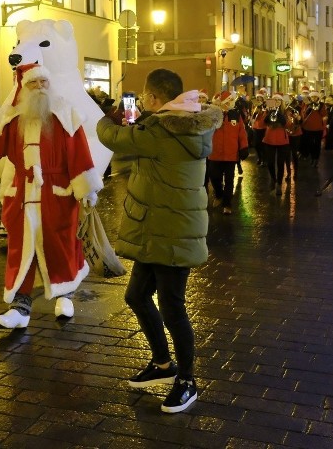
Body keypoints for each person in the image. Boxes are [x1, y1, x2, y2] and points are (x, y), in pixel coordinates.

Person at [96, 68, 222, 414]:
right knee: (136, 295)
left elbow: (111, 137)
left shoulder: (160, 129)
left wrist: (110, 114)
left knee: (172, 305)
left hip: (173, 231)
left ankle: (187, 380)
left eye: (144, 96)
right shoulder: (184, 121)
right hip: (158, 228)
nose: (143, 101)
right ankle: (163, 365)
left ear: (153, 98)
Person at [0, 65, 103, 327]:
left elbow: (79, 153)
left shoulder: (65, 114)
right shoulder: (12, 118)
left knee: (60, 246)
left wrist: (87, 189)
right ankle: (20, 308)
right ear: (24, 88)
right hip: (23, 196)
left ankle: (65, 293)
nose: (39, 87)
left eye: (43, 82)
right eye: (33, 83)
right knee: (21, 250)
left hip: (57, 195)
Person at [207, 91, 248, 214]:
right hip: (215, 153)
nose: (229, 104)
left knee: (229, 180)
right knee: (214, 177)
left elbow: (241, 133)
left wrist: (244, 147)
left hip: (231, 154)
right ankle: (219, 194)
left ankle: (227, 204)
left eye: (230, 102)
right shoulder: (214, 115)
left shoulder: (236, 114)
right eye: (226, 102)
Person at [262, 94, 293, 195]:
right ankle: (273, 178)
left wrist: (279, 113)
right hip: (269, 139)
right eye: (275, 100)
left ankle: (279, 183)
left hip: (282, 141)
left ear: (281, 102)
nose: (277, 101)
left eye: (279, 100)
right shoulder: (269, 110)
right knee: (270, 162)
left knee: (280, 163)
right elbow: (264, 122)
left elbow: (288, 124)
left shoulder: (285, 111)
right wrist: (269, 111)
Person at [300, 90, 327, 167]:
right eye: (312, 97)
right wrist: (308, 107)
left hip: (318, 128)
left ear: (318, 97)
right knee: (310, 144)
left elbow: (324, 114)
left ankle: (316, 159)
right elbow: (303, 114)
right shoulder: (306, 104)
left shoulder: (321, 105)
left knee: (317, 144)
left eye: (315, 97)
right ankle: (312, 158)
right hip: (308, 127)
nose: (314, 98)